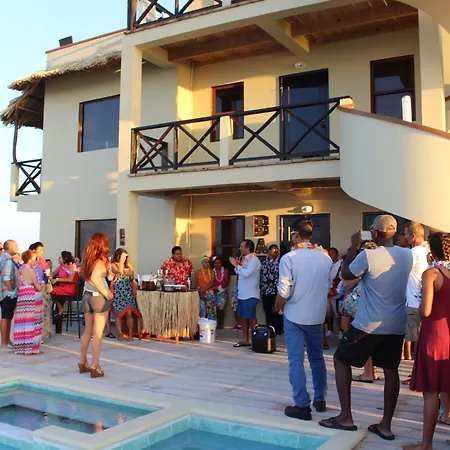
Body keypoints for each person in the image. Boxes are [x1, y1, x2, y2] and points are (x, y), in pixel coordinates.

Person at [320, 215, 413, 441]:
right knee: (390, 370)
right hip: (396, 324)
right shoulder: (407, 255)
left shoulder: (368, 255)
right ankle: (385, 425)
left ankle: (346, 417)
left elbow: (346, 275)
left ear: (375, 233)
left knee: (340, 359)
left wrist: (353, 246)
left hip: (368, 325)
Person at [275, 220, 332, 420]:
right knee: (317, 357)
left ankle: (301, 404)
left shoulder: (289, 258)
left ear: (296, 235)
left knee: (296, 361)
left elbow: (284, 290)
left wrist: (277, 306)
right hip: (316, 315)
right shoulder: (325, 258)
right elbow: (328, 284)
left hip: (294, 314)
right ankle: (320, 398)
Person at [403, 233, 450, 450]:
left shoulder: (431, 274)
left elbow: (426, 310)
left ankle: (426, 444)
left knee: (431, 390)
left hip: (435, 335)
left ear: (431, 249)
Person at [79, 233, 114, 378]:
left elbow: (88, 277)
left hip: (87, 295)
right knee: (97, 333)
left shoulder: (87, 260)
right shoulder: (100, 261)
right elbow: (96, 278)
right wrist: (107, 293)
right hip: (98, 297)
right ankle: (95, 366)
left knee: (87, 331)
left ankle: (82, 361)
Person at [403, 222, 429, 363]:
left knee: (415, 341)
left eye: (406, 234)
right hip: (425, 300)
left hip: (413, 302)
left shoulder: (414, 252)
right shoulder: (427, 251)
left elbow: (402, 272)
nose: (405, 237)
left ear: (413, 236)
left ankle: (416, 372)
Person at [230, 240, 261, 348]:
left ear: (247, 248)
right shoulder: (245, 259)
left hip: (250, 294)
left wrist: (236, 265)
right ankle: (245, 340)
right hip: (242, 294)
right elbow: (239, 272)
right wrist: (238, 265)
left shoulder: (254, 260)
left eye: (241, 246)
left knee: (251, 317)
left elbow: (247, 273)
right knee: (243, 317)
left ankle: (256, 341)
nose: (240, 248)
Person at [13, 250, 45, 355]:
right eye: (35, 259)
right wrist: (43, 285)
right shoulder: (31, 271)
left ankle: (21, 347)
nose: (36, 261)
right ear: (30, 260)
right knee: (32, 321)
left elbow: (18, 284)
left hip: (22, 296)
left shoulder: (20, 269)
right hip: (31, 297)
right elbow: (38, 287)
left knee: (23, 320)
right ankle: (32, 348)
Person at [111, 248, 141, 342]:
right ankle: (120, 333)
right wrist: (121, 261)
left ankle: (130, 333)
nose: (124, 258)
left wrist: (130, 274)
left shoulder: (128, 265)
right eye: (122, 256)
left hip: (127, 292)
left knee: (129, 313)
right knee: (118, 314)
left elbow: (132, 276)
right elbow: (120, 271)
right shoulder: (113, 265)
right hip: (118, 292)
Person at [51, 251, 79, 331]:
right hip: (62, 287)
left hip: (70, 288)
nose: (59, 258)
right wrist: (50, 275)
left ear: (65, 258)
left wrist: (57, 279)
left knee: (50, 291)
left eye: (60, 257)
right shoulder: (61, 266)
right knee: (52, 291)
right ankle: (59, 311)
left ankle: (60, 309)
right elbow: (54, 273)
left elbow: (70, 279)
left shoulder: (72, 266)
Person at [0, 240, 19, 348]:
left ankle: (6, 340)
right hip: (7, 292)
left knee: (6, 316)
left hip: (3, 291)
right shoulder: (7, 261)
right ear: (10, 247)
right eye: (16, 246)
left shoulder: (2, 258)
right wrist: (11, 290)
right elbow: (6, 278)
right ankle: (4, 342)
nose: (17, 248)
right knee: (6, 317)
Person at [260, 244, 283, 333]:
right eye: (274, 249)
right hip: (266, 290)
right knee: (267, 310)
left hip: (276, 291)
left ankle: (278, 329)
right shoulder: (263, 262)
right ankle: (270, 328)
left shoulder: (280, 262)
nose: (276, 251)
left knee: (277, 310)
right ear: (269, 251)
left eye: (277, 250)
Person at [196, 256, 216, 321]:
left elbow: (212, 283)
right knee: (202, 309)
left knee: (210, 310)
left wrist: (204, 289)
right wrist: (200, 291)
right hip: (200, 292)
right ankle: (202, 324)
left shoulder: (212, 272)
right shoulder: (198, 272)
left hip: (209, 293)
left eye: (208, 262)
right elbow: (197, 283)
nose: (206, 264)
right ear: (202, 263)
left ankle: (211, 323)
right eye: (205, 262)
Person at [213, 257, 229, 329]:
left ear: (221, 263)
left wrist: (220, 288)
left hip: (222, 292)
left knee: (221, 308)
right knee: (214, 309)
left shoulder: (225, 271)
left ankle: (221, 323)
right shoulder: (212, 271)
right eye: (216, 263)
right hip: (214, 291)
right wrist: (214, 288)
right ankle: (215, 323)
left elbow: (227, 281)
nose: (217, 264)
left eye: (219, 263)